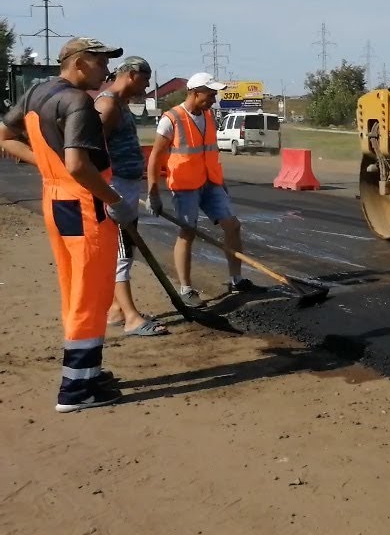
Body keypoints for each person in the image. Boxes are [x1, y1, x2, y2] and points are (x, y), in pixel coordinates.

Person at [0, 36, 138, 412]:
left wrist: (48, 166)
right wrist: (115, 200)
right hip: (84, 205)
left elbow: (4, 137)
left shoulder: (36, 94)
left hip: (56, 201)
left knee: (75, 289)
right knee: (90, 295)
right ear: (78, 64)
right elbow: (79, 165)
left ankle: (87, 373)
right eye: (100, 63)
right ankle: (76, 391)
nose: (107, 71)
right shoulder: (78, 102)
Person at [146, 72, 262, 306]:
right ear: (194, 92)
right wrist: (153, 193)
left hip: (211, 183)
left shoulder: (209, 116)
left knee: (233, 225)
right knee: (187, 232)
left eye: (214, 95)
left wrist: (221, 183)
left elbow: (210, 153)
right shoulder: (172, 118)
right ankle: (186, 289)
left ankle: (236, 280)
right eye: (210, 95)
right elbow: (155, 158)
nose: (213, 99)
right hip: (185, 185)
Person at [95, 56, 168, 336]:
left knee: (124, 250)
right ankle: (131, 318)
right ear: (133, 75)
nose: (148, 85)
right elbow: (93, 147)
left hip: (124, 185)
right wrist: (109, 191)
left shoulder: (120, 104)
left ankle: (116, 310)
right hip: (116, 187)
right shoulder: (108, 103)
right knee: (123, 253)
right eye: (146, 80)